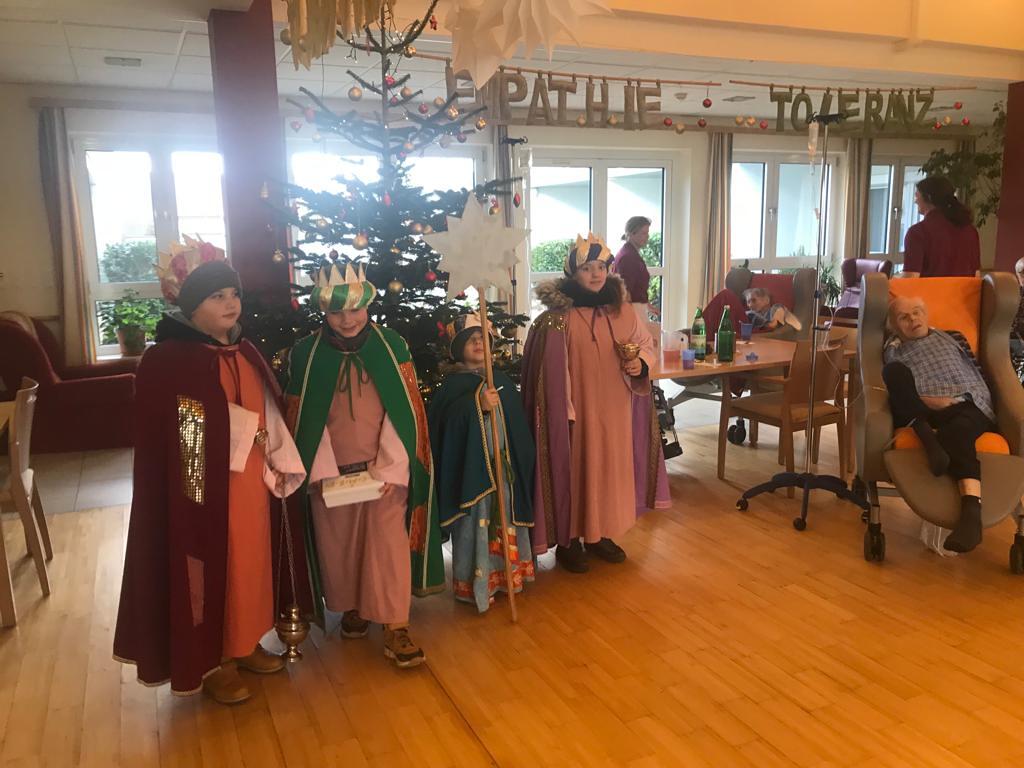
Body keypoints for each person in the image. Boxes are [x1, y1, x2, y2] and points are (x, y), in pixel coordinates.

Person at [114, 237, 310, 705]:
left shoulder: (245, 350)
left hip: (253, 484)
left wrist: (276, 447)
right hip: (200, 493)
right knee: (210, 566)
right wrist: (232, 431)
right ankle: (214, 659)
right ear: (190, 305)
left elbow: (268, 409)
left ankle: (244, 643)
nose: (230, 303)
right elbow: (178, 434)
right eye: (216, 296)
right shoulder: (167, 360)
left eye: (233, 293)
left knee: (251, 563)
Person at [285, 262, 443, 669]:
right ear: (324, 311)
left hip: (384, 472)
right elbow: (304, 419)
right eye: (337, 311)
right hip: (330, 473)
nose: (348, 319)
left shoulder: (391, 346)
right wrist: (322, 473)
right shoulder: (306, 354)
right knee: (340, 546)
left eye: (355, 309)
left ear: (368, 305)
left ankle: (395, 625)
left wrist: (388, 468)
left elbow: (405, 413)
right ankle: (354, 607)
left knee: (387, 548)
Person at [521, 233, 670, 573]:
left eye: (601, 267)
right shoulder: (556, 319)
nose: (596, 274)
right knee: (577, 472)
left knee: (608, 471)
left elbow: (645, 343)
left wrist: (641, 363)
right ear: (573, 273)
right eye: (587, 268)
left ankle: (599, 533)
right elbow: (548, 372)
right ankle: (570, 539)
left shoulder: (621, 311)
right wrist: (563, 409)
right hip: (576, 412)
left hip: (615, 411)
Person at [428, 313, 536, 612]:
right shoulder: (451, 387)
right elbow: (445, 428)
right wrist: (476, 404)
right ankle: (476, 582)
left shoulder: (501, 381)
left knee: (507, 519)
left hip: (505, 474)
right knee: (475, 525)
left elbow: (517, 428)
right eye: (471, 340)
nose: (478, 344)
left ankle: (509, 576)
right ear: (457, 348)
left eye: (483, 339)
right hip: (472, 475)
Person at [882, 295, 996, 553]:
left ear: (926, 314)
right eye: (904, 317)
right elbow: (899, 391)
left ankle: (971, 513)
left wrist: (963, 398)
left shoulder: (953, 337)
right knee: (892, 373)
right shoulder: (892, 349)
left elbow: (976, 371)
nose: (913, 319)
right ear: (895, 326)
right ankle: (928, 438)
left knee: (957, 432)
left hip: (967, 403)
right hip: (923, 410)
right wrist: (929, 401)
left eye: (917, 312)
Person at [899, 176, 980, 278]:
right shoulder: (970, 231)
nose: (915, 201)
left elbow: (911, 278)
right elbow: (976, 275)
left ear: (928, 197)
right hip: (963, 289)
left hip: (929, 289)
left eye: (917, 196)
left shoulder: (918, 232)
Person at [612, 215, 657, 323]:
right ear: (631, 234)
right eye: (643, 233)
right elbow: (625, 291)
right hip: (632, 310)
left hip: (636, 308)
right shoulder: (628, 257)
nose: (647, 237)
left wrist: (646, 304)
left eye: (647, 233)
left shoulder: (629, 253)